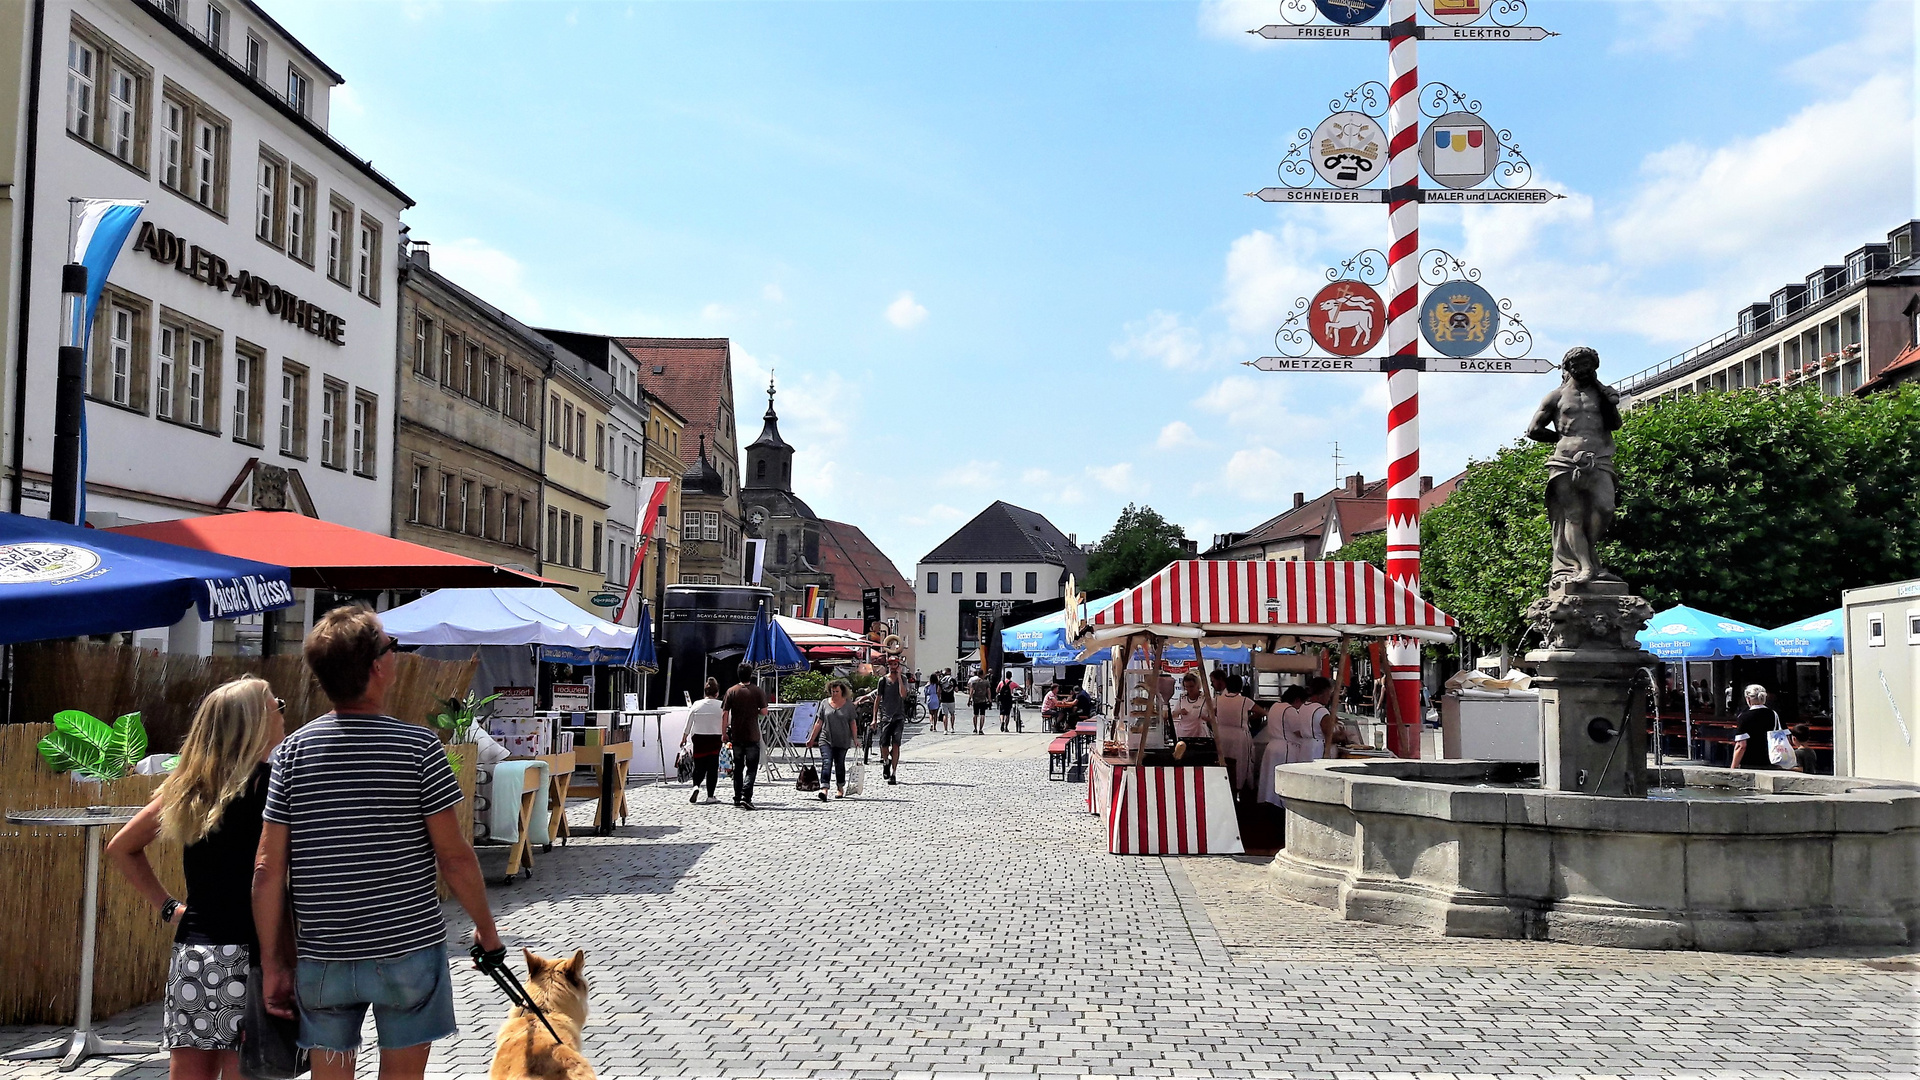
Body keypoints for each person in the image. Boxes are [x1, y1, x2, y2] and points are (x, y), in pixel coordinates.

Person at [253, 606, 502, 1080]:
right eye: (392, 646)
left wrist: (274, 962)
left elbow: (267, 871)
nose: (397, 653)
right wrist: (487, 933)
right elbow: (453, 857)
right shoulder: (419, 749)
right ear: (376, 667)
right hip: (406, 948)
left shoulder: (292, 754)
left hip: (324, 953)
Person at [108, 677, 285, 1079]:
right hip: (253, 955)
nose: (282, 712)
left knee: (187, 1070)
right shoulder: (271, 787)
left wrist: (169, 908)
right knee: (246, 1070)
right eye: (277, 704)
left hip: (196, 955)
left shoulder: (190, 787)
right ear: (255, 720)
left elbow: (121, 847)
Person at [1526, 345, 1624, 585]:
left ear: (1595, 367)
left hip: (1599, 459)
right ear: (1568, 367)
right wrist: (1562, 440)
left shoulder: (1602, 396)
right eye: (1578, 364)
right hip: (1565, 462)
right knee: (1573, 515)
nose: (1583, 368)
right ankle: (1586, 566)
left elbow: (1615, 424)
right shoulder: (1556, 396)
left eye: (1588, 364)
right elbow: (1533, 430)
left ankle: (1588, 555)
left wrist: (1610, 402)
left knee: (1605, 508)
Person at [724, 663, 768, 807]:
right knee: (751, 767)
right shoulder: (757, 691)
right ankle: (746, 795)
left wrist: (724, 732)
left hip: (737, 734)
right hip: (752, 734)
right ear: (751, 674)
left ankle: (737, 797)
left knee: (738, 767)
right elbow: (764, 712)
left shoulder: (731, 691)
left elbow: (724, 713)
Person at [808, 679, 860, 800]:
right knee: (826, 762)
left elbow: (852, 722)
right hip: (826, 738)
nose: (834, 694)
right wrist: (811, 738)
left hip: (842, 740)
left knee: (839, 764)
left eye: (836, 691)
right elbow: (819, 722)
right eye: (832, 691)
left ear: (842, 692)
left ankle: (840, 787)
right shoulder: (824, 703)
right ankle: (824, 789)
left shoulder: (848, 705)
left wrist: (855, 739)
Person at [1257, 685, 1307, 806]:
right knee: (1282, 779)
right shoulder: (1289, 710)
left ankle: (1269, 802)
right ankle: (1280, 805)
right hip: (1285, 748)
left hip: (1272, 746)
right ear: (1297, 700)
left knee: (1270, 779)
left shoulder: (1275, 706)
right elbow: (1298, 731)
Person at [680, 677, 725, 803]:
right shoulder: (721, 706)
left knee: (699, 765)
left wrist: (684, 737)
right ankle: (710, 795)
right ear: (717, 693)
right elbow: (728, 721)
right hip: (715, 738)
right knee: (712, 766)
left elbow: (688, 722)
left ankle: (696, 786)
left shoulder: (696, 705)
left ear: (705, 692)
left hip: (699, 738)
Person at [1213, 674, 1256, 795]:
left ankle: (1223, 787)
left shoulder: (1218, 699)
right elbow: (1262, 712)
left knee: (1223, 761)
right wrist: (1248, 718)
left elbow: (1210, 713)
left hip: (1221, 735)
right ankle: (1239, 788)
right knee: (1241, 763)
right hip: (1239, 736)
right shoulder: (1244, 701)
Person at [870, 656, 910, 784]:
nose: (893, 666)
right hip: (886, 717)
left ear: (899, 665)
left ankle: (893, 773)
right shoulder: (883, 680)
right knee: (884, 745)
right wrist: (874, 718)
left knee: (896, 744)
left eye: (895, 664)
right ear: (888, 665)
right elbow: (878, 699)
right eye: (891, 664)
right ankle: (886, 762)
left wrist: (899, 677)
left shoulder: (903, 679)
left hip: (899, 716)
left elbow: (903, 695)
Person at [1729, 684, 1782, 770]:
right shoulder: (1773, 714)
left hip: (1749, 761)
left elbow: (1741, 746)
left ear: (1748, 699)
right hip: (1769, 760)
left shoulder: (1744, 717)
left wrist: (1733, 766)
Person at [968, 670, 991, 735]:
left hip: (976, 699)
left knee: (975, 714)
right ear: (982, 674)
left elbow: (971, 691)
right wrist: (989, 700)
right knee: (982, 715)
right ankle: (980, 729)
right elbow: (988, 692)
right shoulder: (986, 682)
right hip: (983, 699)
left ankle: (975, 728)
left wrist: (969, 699)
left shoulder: (974, 682)